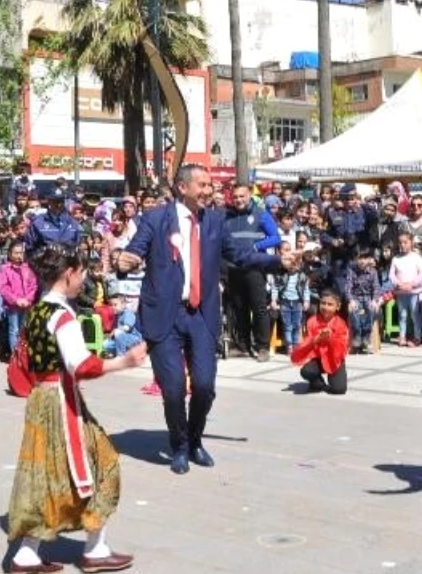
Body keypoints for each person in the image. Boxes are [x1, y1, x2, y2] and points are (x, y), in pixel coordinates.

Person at [113, 164, 295, 475]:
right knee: (172, 388)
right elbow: (132, 253)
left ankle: (195, 439)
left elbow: (241, 255)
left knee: (205, 385)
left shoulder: (215, 220)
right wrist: (123, 260)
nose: (209, 190)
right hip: (164, 317)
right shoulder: (155, 219)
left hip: (202, 315)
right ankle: (180, 446)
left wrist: (278, 261)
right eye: (202, 184)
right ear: (182, 188)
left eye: (210, 185)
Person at [7, 244, 148, 574]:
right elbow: (80, 365)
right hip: (60, 400)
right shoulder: (62, 314)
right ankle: (95, 549)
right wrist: (124, 362)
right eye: (82, 272)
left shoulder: (38, 309)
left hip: (40, 399)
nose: (84, 278)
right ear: (68, 274)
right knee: (102, 463)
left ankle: (27, 555)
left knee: (45, 474)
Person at [223, 184, 281, 361]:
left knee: (259, 308)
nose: (238, 200)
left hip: (255, 268)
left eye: (242, 196)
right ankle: (243, 346)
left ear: (249, 196)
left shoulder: (261, 214)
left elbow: (276, 238)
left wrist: (257, 246)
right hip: (234, 269)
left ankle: (262, 347)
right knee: (239, 309)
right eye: (235, 197)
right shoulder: (227, 216)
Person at [291, 290, 350, 395]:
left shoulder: (341, 324)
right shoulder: (312, 321)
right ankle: (317, 382)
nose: (326, 307)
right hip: (318, 359)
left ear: (338, 306)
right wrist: (316, 339)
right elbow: (305, 345)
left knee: (339, 389)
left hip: (335, 359)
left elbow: (342, 348)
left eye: (330, 304)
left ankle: (332, 380)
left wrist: (330, 338)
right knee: (306, 371)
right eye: (323, 303)